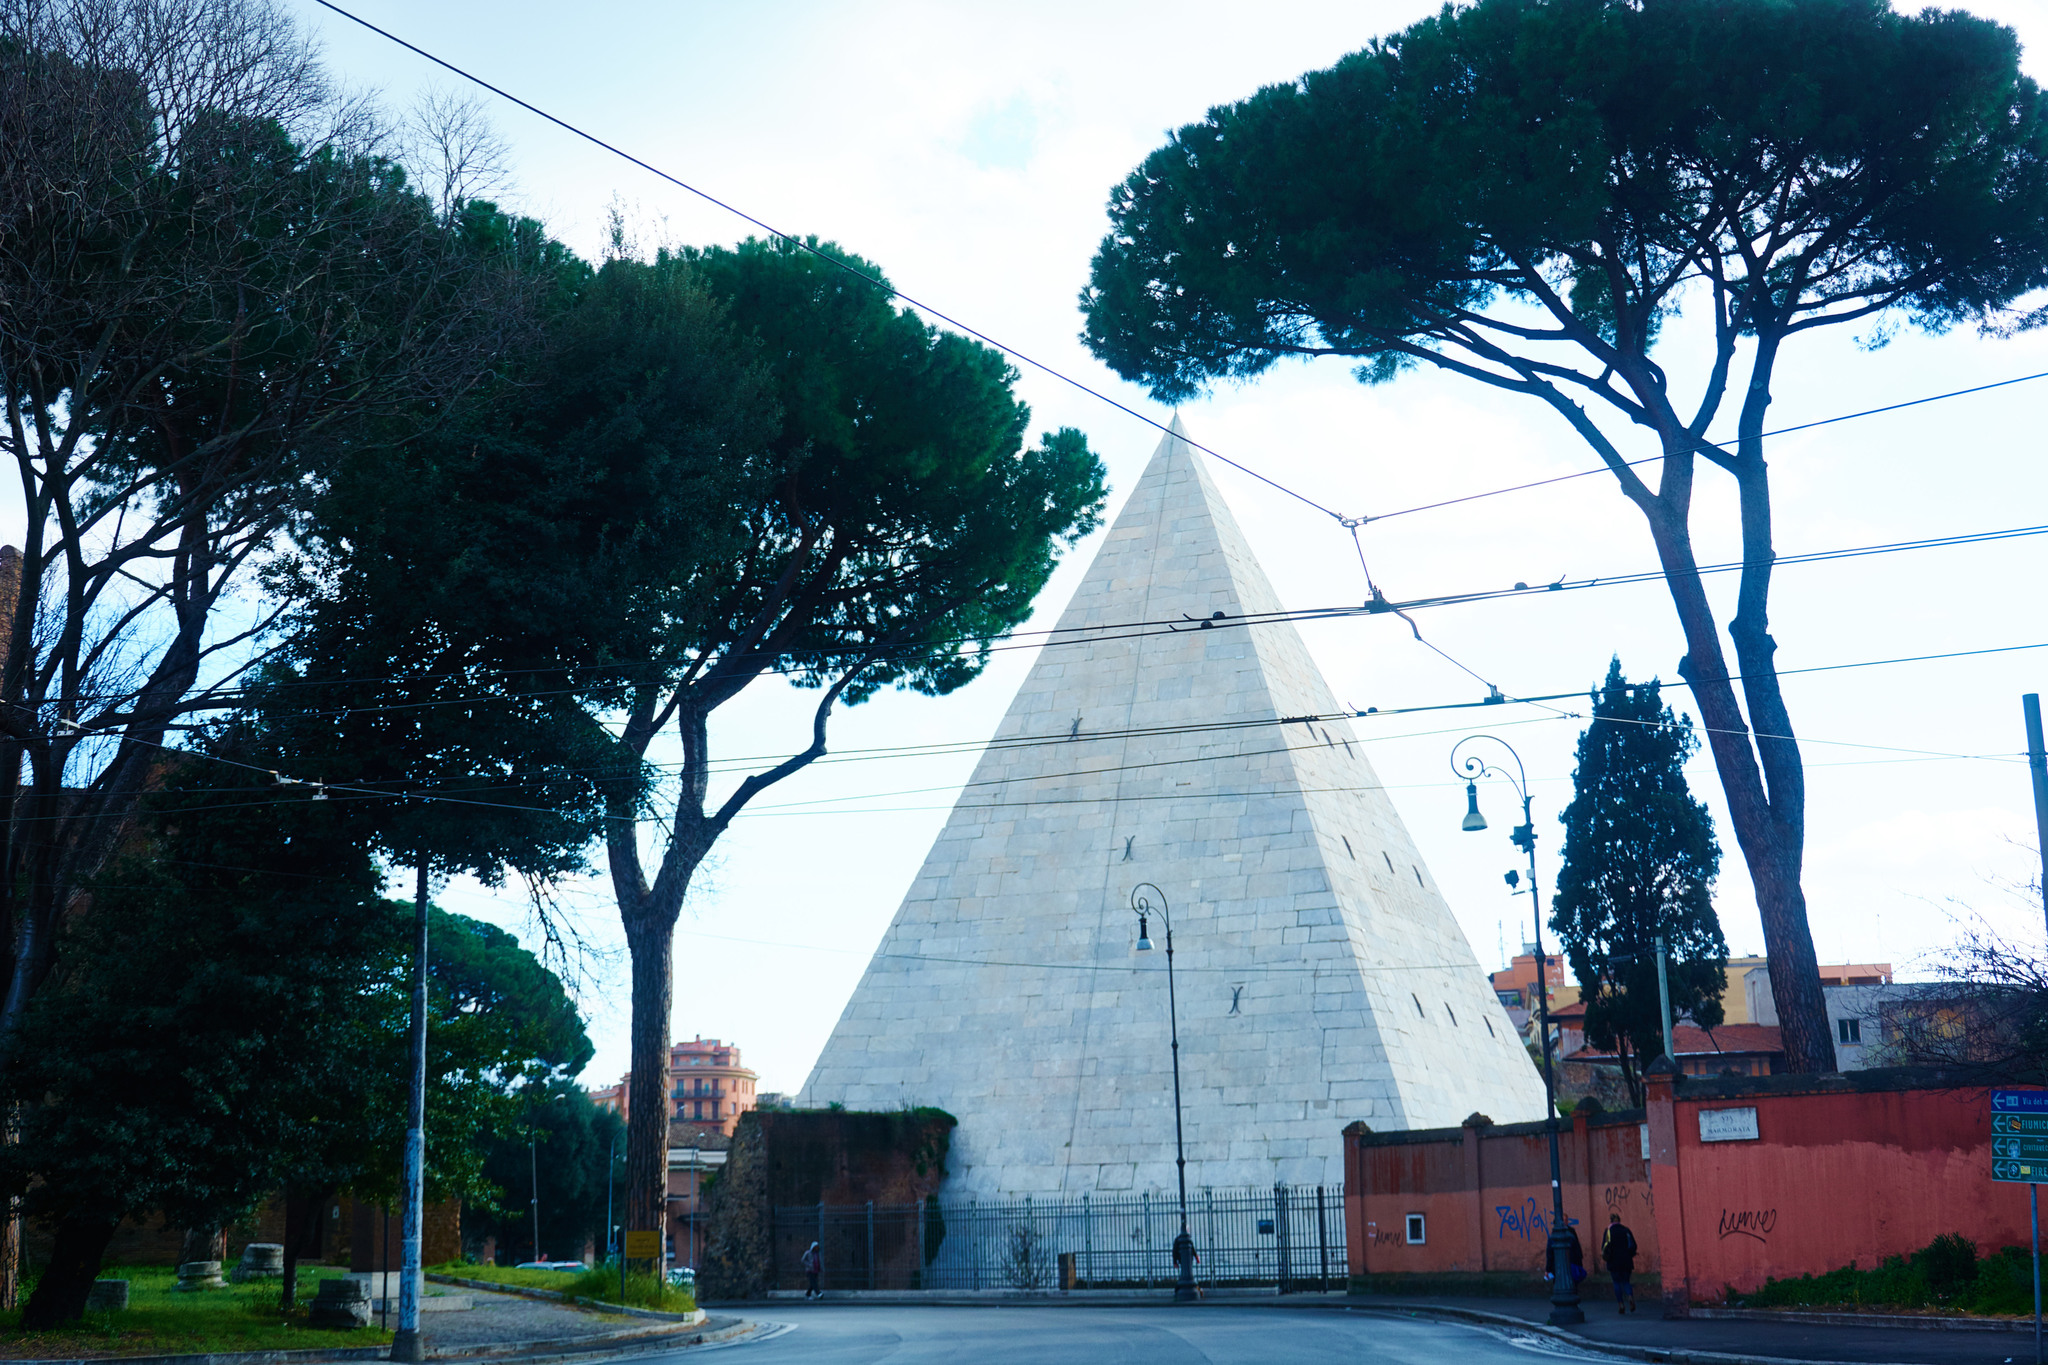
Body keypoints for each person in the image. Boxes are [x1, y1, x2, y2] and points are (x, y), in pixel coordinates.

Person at [1601, 1212, 1640, 1313]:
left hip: (1613, 1262)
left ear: (1611, 1220)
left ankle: (1621, 1303)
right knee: (1626, 1281)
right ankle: (1630, 1296)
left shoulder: (1608, 1231)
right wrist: (1629, 1255)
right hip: (1626, 1261)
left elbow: (1604, 1247)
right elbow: (1633, 1245)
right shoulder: (1626, 1230)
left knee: (1617, 1282)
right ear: (1619, 1220)